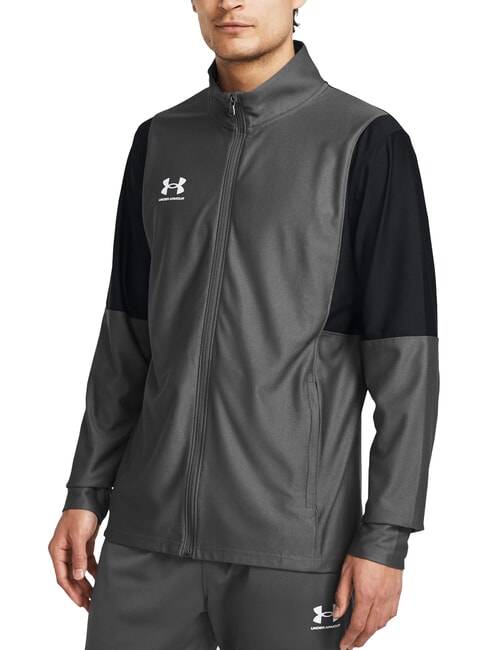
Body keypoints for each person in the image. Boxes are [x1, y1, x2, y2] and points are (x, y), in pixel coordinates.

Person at [48, 1, 439, 649]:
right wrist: (86, 491)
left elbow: (405, 364)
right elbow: (126, 341)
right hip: (146, 535)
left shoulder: (365, 141)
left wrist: (386, 537)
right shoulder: (159, 140)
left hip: (292, 546)